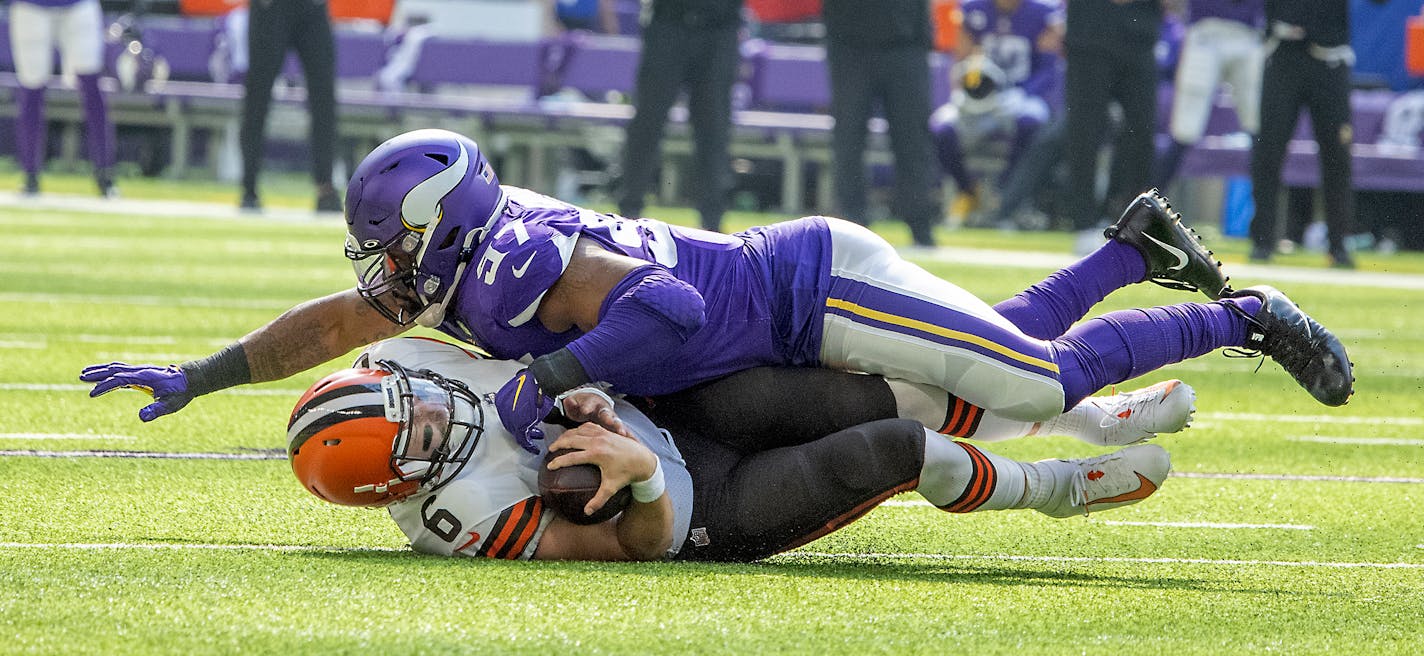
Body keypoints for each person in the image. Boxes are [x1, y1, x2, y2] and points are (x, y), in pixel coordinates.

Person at [80, 130, 1353, 453]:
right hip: (801, 298)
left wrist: (549, 377)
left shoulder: (519, 260)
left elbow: (672, 316)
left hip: (811, 286)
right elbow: (337, 321)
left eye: (390, 247)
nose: (380, 274)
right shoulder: (467, 258)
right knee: (999, 344)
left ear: (438, 227)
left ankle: (1239, 314)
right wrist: (196, 376)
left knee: (1023, 381)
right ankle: (1136, 243)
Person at [286, 336, 1185, 561]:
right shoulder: (460, 519)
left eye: (415, 399)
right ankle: (1059, 486)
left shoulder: (401, 364)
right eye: (427, 433)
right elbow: (628, 545)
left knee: (841, 386)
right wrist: (639, 481)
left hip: (667, 409)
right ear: (404, 481)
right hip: (699, 511)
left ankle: (1081, 414)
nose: (440, 407)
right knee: (892, 447)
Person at [931, 0, 1064, 224]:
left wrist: (1025, 92)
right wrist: (966, 89)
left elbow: (1048, 68)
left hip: (1022, 95)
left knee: (1031, 122)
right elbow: (961, 59)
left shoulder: (1043, 13)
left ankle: (1004, 194)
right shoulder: (973, 10)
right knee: (940, 128)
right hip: (981, 96)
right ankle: (968, 191)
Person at [615, 0, 743, 232]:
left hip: (720, 25)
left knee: (714, 128)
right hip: (668, 21)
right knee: (647, 123)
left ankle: (713, 223)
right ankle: (628, 214)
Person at [822, 0, 942, 247]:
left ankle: (920, 224)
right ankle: (850, 225)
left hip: (905, 42)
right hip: (849, 42)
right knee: (848, 138)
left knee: (913, 140)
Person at [1248, 0, 1356, 268]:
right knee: (1268, 151)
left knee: (1337, 155)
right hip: (1283, 51)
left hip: (1329, 53)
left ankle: (1338, 245)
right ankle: (1263, 240)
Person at [1061, 0, 1164, 253]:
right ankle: (1084, 222)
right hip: (1089, 31)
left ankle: (1133, 221)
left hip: (1139, 32)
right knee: (1085, 131)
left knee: (1141, 131)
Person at [237, 0, 341, 213]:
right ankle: (249, 187)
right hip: (272, 7)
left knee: (324, 98)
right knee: (258, 95)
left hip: (311, 7)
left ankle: (325, 188)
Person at [8, 0, 116, 197]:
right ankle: (30, 174)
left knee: (91, 84)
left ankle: (105, 173)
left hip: (78, 5)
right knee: (31, 86)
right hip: (31, 6)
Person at [1154, 0, 1264, 191]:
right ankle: (1147, 207)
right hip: (1205, 30)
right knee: (1184, 129)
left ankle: (1268, 219)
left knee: (1262, 130)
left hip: (1249, 31)